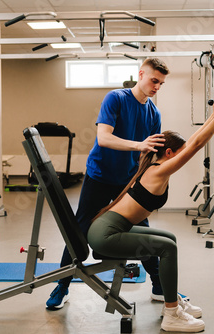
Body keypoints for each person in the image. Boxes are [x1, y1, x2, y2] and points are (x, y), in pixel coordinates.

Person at [87, 95, 214, 332]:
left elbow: (192, 143)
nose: (183, 153)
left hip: (112, 227)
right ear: (169, 152)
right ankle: (171, 314)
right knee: (168, 248)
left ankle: (172, 302)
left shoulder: (156, 164)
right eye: (179, 152)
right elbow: (196, 145)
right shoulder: (158, 171)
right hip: (105, 234)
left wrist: (213, 115)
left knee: (170, 240)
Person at [46, 58, 169, 310]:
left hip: (128, 179)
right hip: (100, 175)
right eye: (153, 80)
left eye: (161, 83)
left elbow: (150, 152)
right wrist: (138, 144)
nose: (157, 86)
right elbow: (103, 138)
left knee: (141, 228)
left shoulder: (153, 113)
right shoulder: (116, 98)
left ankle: (159, 285)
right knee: (79, 230)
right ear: (141, 74)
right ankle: (62, 285)